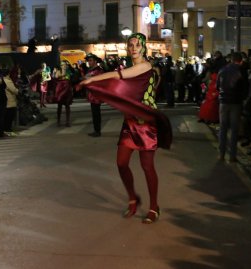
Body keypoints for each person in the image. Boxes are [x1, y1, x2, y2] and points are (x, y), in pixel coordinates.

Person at [79, 33, 172, 224]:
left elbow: (117, 76)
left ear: (144, 47)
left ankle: (154, 207)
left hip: (146, 123)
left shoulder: (145, 66)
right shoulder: (133, 68)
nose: (134, 48)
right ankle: (133, 198)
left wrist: (92, 80)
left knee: (147, 167)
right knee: (121, 163)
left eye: (138, 45)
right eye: (130, 45)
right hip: (130, 123)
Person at [216, 52, 248, 162]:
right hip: (236, 102)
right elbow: (245, 87)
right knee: (234, 129)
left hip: (223, 102)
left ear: (231, 60)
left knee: (223, 128)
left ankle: (221, 154)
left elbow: (217, 86)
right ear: (240, 60)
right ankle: (232, 156)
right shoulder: (242, 71)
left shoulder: (222, 70)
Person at [85, 54, 104, 137]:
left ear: (95, 61)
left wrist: (87, 78)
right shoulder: (91, 70)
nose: (89, 62)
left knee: (96, 113)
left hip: (96, 94)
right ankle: (96, 130)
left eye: (90, 60)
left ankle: (97, 131)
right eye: (88, 61)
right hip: (92, 94)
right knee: (94, 113)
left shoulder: (98, 70)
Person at [52, 60, 74, 127]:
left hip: (67, 89)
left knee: (67, 105)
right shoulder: (58, 71)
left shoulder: (68, 71)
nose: (63, 66)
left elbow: (68, 77)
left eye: (64, 65)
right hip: (60, 89)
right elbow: (55, 77)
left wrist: (63, 74)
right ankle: (58, 121)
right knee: (59, 105)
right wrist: (59, 73)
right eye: (62, 65)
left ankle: (67, 121)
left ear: (67, 65)